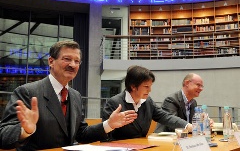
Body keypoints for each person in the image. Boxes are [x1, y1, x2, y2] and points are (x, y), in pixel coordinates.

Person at [0, 40, 137, 150]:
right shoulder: (27, 92)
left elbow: (81, 134)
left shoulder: (75, 96)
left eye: (77, 61)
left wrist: (109, 124)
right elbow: (3, 136)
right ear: (51, 61)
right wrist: (25, 130)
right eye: (67, 59)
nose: (73, 65)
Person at [102, 65, 192, 141]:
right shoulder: (114, 103)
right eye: (146, 86)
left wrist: (187, 126)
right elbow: (106, 137)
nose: (150, 90)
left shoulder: (147, 101)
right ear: (133, 86)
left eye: (150, 86)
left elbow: (165, 117)